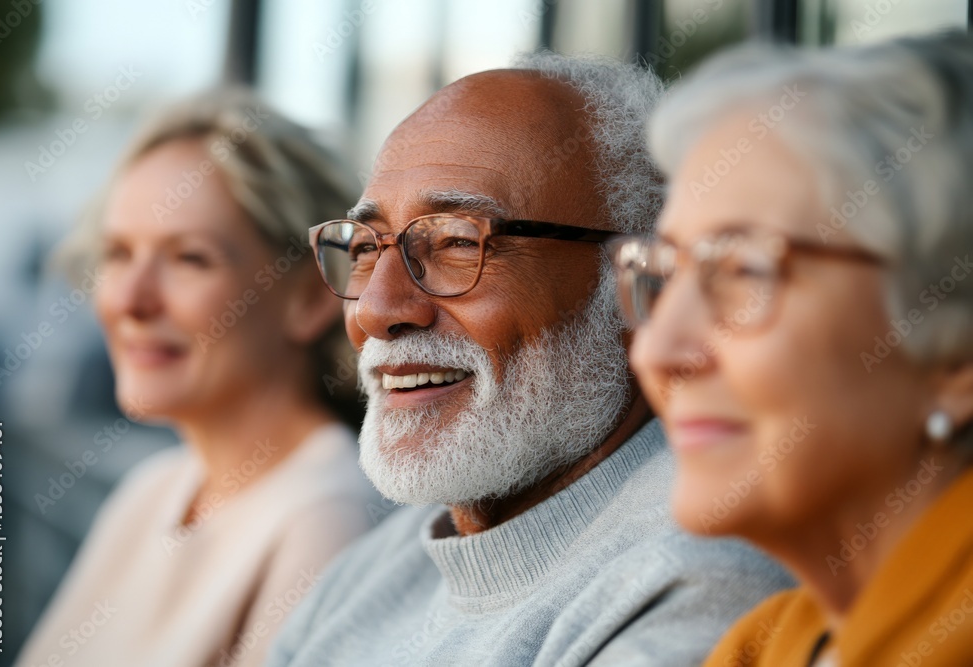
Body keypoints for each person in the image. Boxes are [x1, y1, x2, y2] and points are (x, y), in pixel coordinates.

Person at [267, 53, 792, 667]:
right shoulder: (370, 572)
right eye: (364, 249)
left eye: (457, 241)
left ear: (645, 284)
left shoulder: (700, 576)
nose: (376, 309)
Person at [615, 31, 973, 666]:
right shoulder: (766, 645)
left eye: (742, 270)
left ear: (956, 359)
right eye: (664, 275)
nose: (656, 351)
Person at [15, 88, 379, 667]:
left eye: (189, 258)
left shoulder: (327, 519)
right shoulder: (154, 490)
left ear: (312, 297)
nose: (130, 300)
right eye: (118, 254)